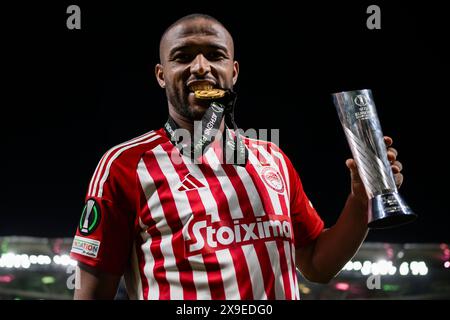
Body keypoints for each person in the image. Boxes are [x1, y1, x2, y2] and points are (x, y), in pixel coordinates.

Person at [70, 13, 404, 300]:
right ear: (161, 75)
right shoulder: (124, 165)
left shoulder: (272, 159)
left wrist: (361, 201)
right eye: (183, 56)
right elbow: (90, 294)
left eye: (215, 55)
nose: (200, 67)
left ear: (234, 70)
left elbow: (317, 264)